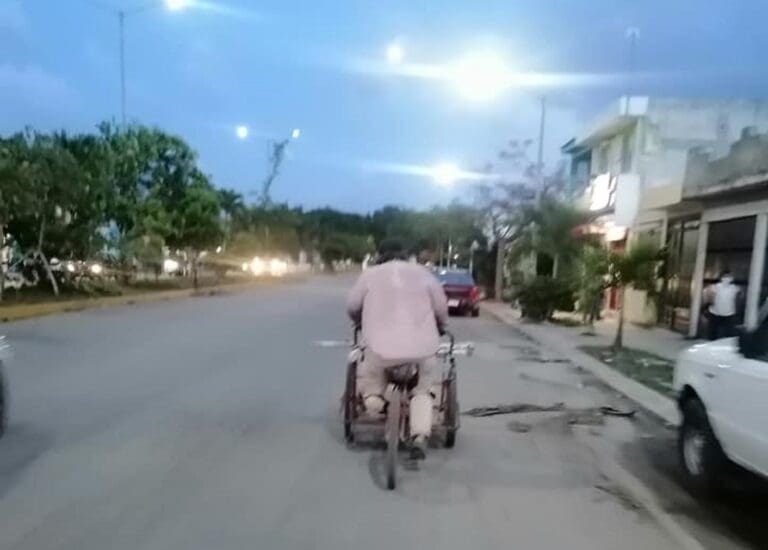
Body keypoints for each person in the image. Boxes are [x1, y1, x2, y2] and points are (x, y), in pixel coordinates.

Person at [346, 239, 448, 460]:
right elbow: (441, 309)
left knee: (372, 383)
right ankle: (420, 436)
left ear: (379, 255)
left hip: (379, 348)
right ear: (405, 254)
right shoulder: (424, 274)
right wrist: (440, 326)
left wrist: (359, 321)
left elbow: (353, 306)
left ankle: (377, 405)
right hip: (421, 349)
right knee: (422, 390)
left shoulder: (370, 275)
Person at [707, 270, 740, 340]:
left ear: (732, 278)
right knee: (713, 334)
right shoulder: (715, 287)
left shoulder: (735, 288)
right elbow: (710, 297)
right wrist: (711, 304)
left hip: (729, 314)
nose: (727, 279)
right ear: (721, 278)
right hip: (715, 313)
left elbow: (737, 298)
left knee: (729, 334)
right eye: (725, 277)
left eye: (729, 277)